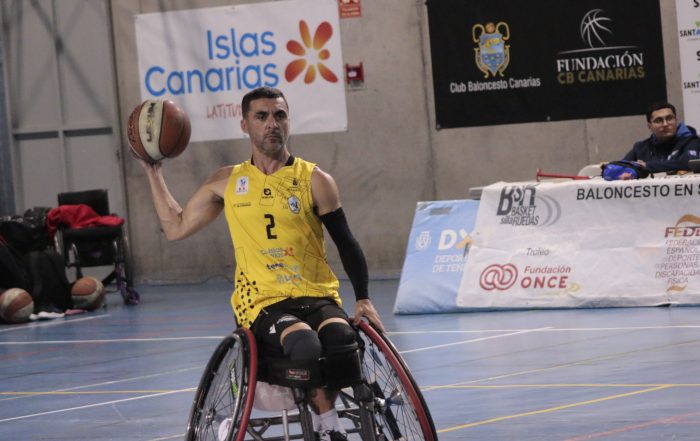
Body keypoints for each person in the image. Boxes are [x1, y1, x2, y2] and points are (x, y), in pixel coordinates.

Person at [138, 86, 384, 441]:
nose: (272, 123)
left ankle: (325, 422)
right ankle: (327, 424)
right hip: (263, 302)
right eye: (262, 116)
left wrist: (363, 298)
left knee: (342, 338)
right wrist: (154, 173)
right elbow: (175, 227)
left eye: (279, 115)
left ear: (289, 122)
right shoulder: (227, 181)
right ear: (244, 124)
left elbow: (347, 243)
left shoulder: (315, 180)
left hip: (317, 296)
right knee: (305, 345)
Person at [617, 101, 700, 179]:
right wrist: (629, 173)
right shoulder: (640, 147)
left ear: (676, 121)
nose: (665, 124)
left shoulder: (691, 141)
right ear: (650, 126)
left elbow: (689, 162)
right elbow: (620, 167)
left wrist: (647, 166)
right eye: (658, 120)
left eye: (669, 118)